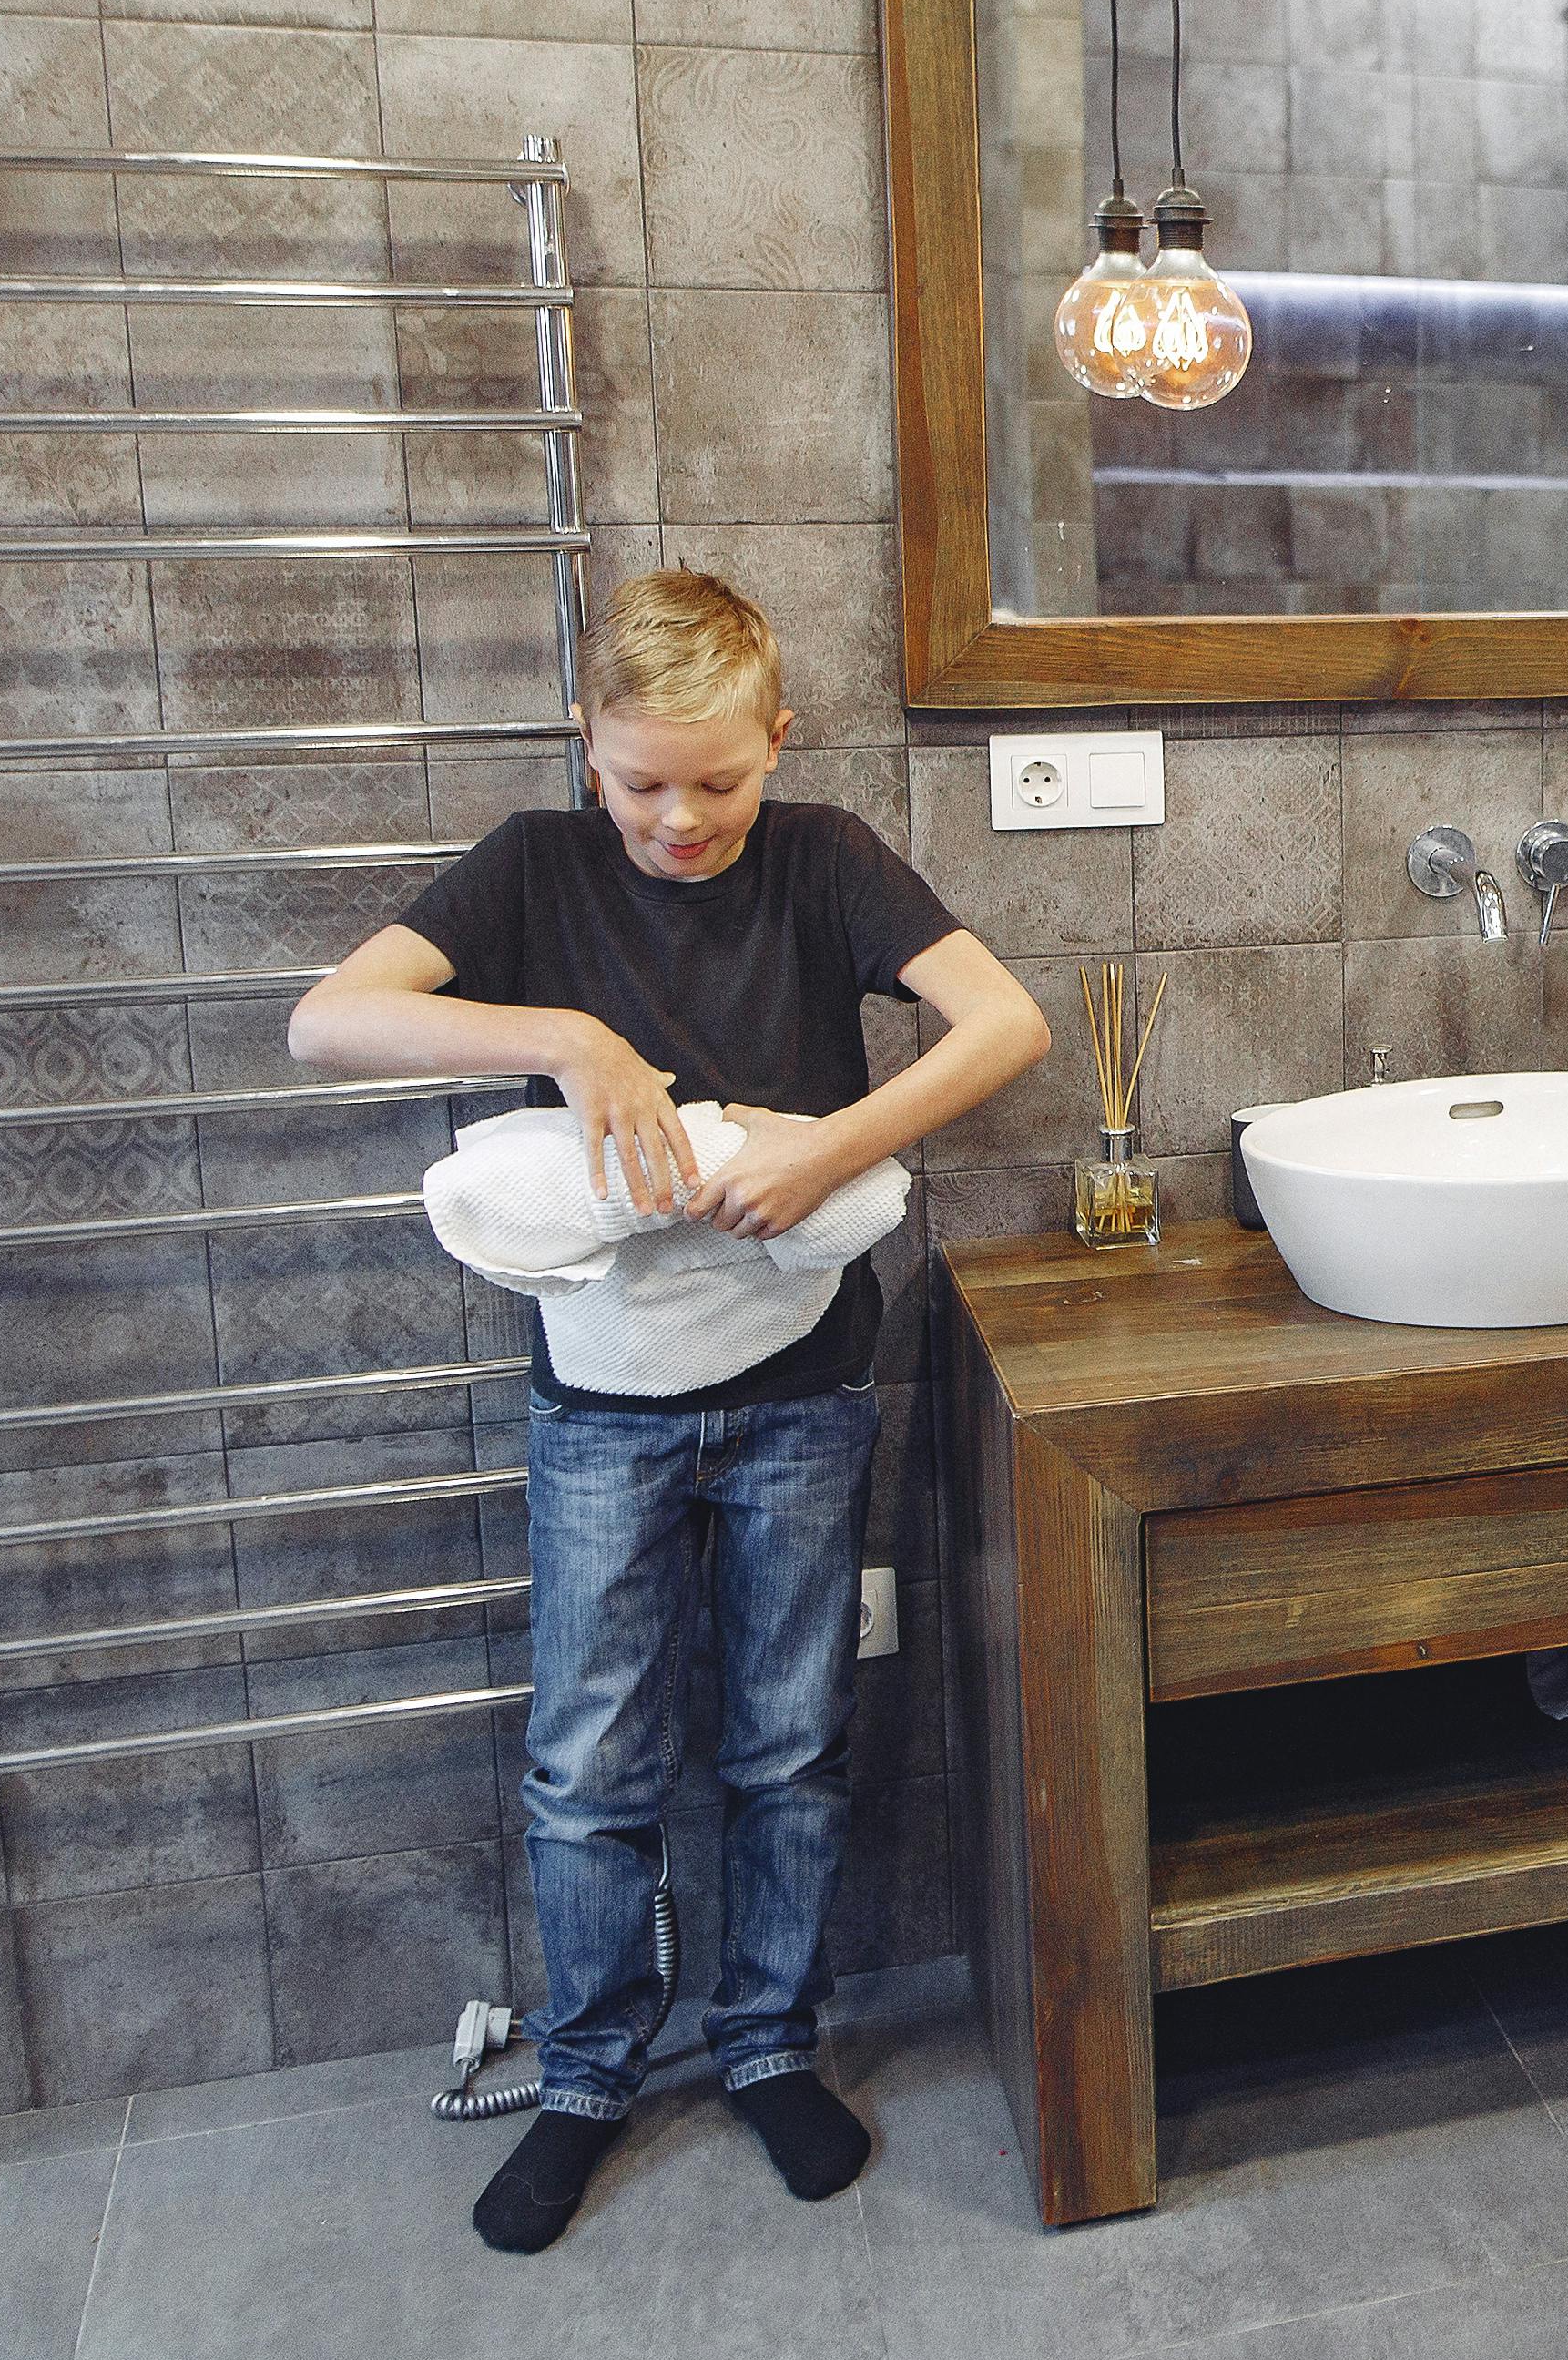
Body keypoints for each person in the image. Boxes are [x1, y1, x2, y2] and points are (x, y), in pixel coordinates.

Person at [289, 570, 1050, 2253]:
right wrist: (567, 1037)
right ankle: (587, 2075)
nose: (682, 817)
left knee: (788, 1743)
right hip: (602, 1412)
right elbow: (326, 1018)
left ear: (781, 740)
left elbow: (1008, 1022)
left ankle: (771, 2040)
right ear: (590, 750)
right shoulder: (532, 870)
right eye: (642, 781)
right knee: (587, 1763)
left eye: (721, 779)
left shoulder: (831, 857)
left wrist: (834, 1144)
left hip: (802, 1397)